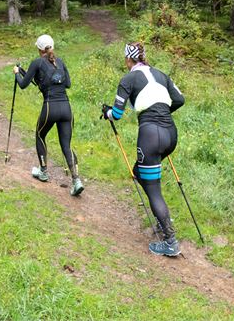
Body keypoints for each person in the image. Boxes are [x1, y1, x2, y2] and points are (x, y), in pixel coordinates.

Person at [102, 42, 185, 256]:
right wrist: (162, 110)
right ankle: (163, 219)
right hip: (170, 133)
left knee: (153, 187)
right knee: (139, 172)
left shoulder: (128, 78)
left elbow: (117, 114)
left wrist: (108, 113)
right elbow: (179, 99)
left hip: (150, 135)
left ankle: (170, 241)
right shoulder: (160, 74)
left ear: (128, 60)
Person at [13, 34, 84, 196]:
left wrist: (17, 73)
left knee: (39, 135)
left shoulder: (37, 63)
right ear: (52, 47)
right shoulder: (60, 62)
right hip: (66, 108)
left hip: (50, 107)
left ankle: (43, 171)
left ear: (39, 49)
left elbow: (23, 85)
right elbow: (68, 84)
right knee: (66, 145)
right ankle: (76, 180)